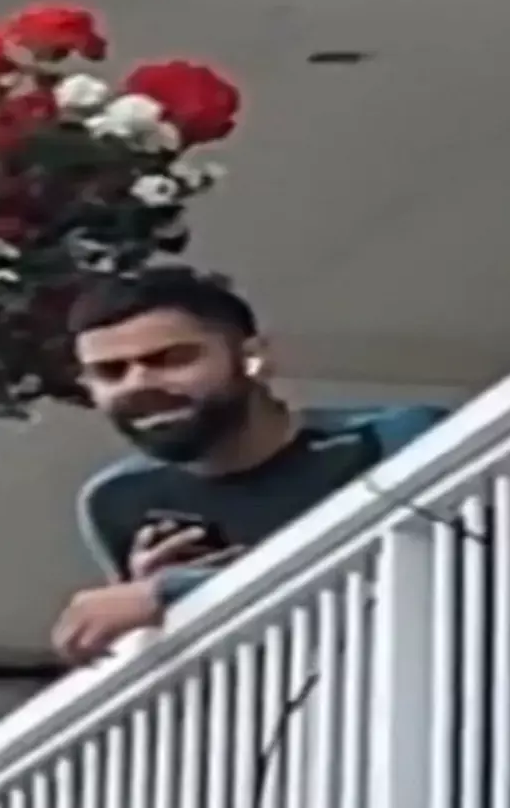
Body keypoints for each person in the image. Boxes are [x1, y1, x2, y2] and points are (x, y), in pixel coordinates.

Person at [50, 268, 449, 663]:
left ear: (252, 357)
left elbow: (425, 566)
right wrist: (153, 610)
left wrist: (170, 591)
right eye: (110, 372)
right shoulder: (115, 498)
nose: (137, 384)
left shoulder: (391, 437)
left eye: (172, 359)